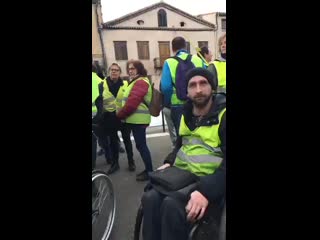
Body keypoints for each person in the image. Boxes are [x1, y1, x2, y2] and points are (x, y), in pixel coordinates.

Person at [141, 68, 226, 240]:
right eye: (192, 85)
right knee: (149, 198)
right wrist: (170, 161)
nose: (198, 89)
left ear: (212, 87)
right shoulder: (185, 115)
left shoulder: (224, 116)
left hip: (209, 179)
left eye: (203, 83)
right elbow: (180, 146)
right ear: (186, 91)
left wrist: (206, 191)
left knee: (171, 205)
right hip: (182, 176)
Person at [160, 36, 204, 138]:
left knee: (182, 135)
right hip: (197, 102)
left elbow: (166, 87)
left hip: (177, 105)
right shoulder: (198, 59)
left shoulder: (169, 62)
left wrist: (167, 103)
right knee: (199, 132)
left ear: (173, 49)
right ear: (185, 46)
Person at [116, 60, 153, 181]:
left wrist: (120, 115)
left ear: (139, 69)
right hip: (135, 120)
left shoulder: (141, 81)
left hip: (139, 120)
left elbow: (132, 103)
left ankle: (149, 171)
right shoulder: (135, 81)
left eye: (133, 68)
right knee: (140, 145)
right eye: (129, 68)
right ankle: (149, 170)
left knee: (141, 146)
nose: (130, 70)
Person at [106, 62, 136, 171]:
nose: (114, 71)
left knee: (127, 140)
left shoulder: (126, 84)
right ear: (109, 71)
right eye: (112, 70)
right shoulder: (103, 84)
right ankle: (115, 164)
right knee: (113, 142)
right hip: (109, 118)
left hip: (123, 117)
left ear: (120, 73)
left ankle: (131, 162)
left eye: (116, 70)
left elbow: (130, 100)